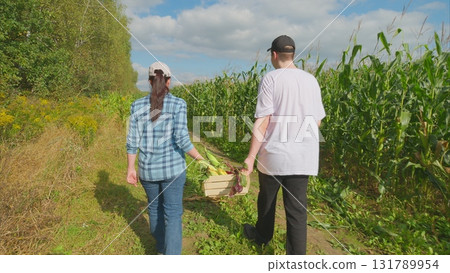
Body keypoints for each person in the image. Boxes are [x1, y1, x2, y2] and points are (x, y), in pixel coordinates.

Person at [242, 35, 326, 255]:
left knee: (267, 201)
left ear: (274, 55)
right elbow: (317, 121)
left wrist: (251, 157)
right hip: (303, 157)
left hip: (275, 156)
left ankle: (262, 237)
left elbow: (263, 121)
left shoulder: (271, 79)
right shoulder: (312, 80)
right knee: (297, 212)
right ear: (293, 55)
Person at [126, 62, 204, 255]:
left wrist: (130, 168)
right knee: (173, 214)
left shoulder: (136, 106)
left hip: (147, 171)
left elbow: (132, 141)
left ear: (149, 81)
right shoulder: (178, 104)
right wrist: (200, 158)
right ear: (169, 81)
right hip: (173, 171)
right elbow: (182, 139)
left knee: (155, 210)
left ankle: (161, 249)